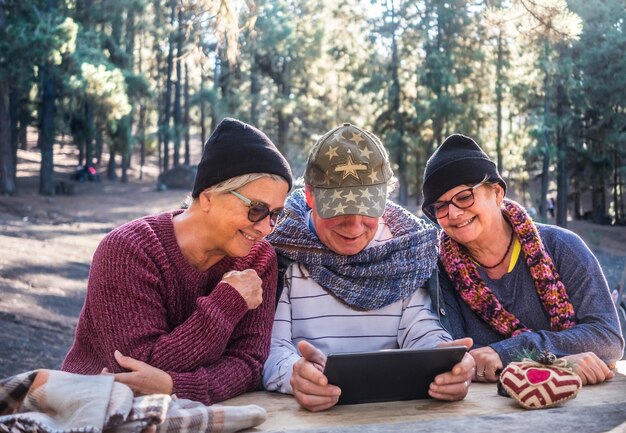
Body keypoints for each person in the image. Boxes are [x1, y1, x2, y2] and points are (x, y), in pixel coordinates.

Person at [62, 118, 293, 405]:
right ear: (208, 197)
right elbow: (135, 371)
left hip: (198, 414)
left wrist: (173, 386)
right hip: (95, 409)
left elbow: (248, 364)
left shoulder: (258, 258)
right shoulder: (127, 250)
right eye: (256, 209)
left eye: (276, 214)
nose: (266, 227)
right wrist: (228, 302)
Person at [262, 123, 475, 412]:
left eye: (367, 211)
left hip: (395, 416)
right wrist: (296, 375)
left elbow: (421, 330)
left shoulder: (405, 253)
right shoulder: (280, 254)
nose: (354, 226)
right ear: (311, 195)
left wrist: (445, 362)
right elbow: (269, 351)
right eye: (339, 211)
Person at [421, 133, 624, 386]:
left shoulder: (562, 247)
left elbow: (607, 337)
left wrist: (512, 354)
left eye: (464, 197)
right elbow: (463, 359)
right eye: (440, 206)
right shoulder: (438, 272)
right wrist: (561, 361)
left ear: (496, 193)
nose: (452, 212)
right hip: (489, 412)